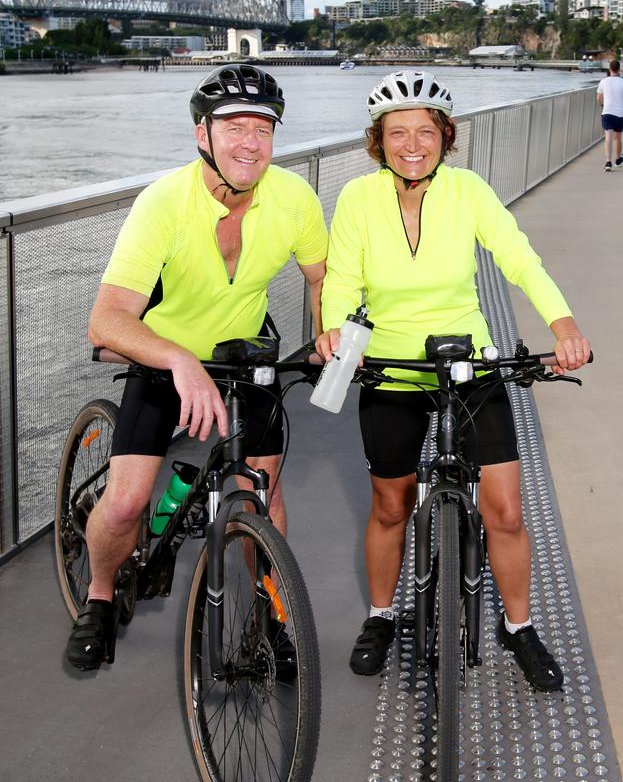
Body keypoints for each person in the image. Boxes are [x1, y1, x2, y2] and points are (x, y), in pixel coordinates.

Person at [315, 70, 591, 692]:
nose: (412, 144)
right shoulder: (358, 199)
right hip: (389, 366)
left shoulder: (468, 191)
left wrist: (564, 323)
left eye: (424, 131)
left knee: (507, 510)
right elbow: (341, 280)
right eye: (396, 133)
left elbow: (518, 257)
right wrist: (334, 328)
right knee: (390, 505)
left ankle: (518, 627)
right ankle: (382, 616)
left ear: (445, 135)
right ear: (377, 141)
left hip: (469, 361)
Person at [66, 63, 328, 671]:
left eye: (263, 128)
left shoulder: (295, 199)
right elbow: (105, 322)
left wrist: (324, 334)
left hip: (242, 359)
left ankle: (271, 621)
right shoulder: (162, 203)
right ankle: (101, 598)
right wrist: (179, 359)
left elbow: (319, 276)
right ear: (201, 135)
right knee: (128, 503)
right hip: (164, 358)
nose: (250, 142)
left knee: (262, 495)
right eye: (234, 126)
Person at [596, 59, 623, 171]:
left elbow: (598, 98)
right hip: (620, 114)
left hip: (607, 112)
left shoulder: (603, 81)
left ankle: (608, 162)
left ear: (609, 69)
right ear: (619, 69)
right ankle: (618, 159)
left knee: (608, 137)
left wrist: (602, 105)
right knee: (618, 138)